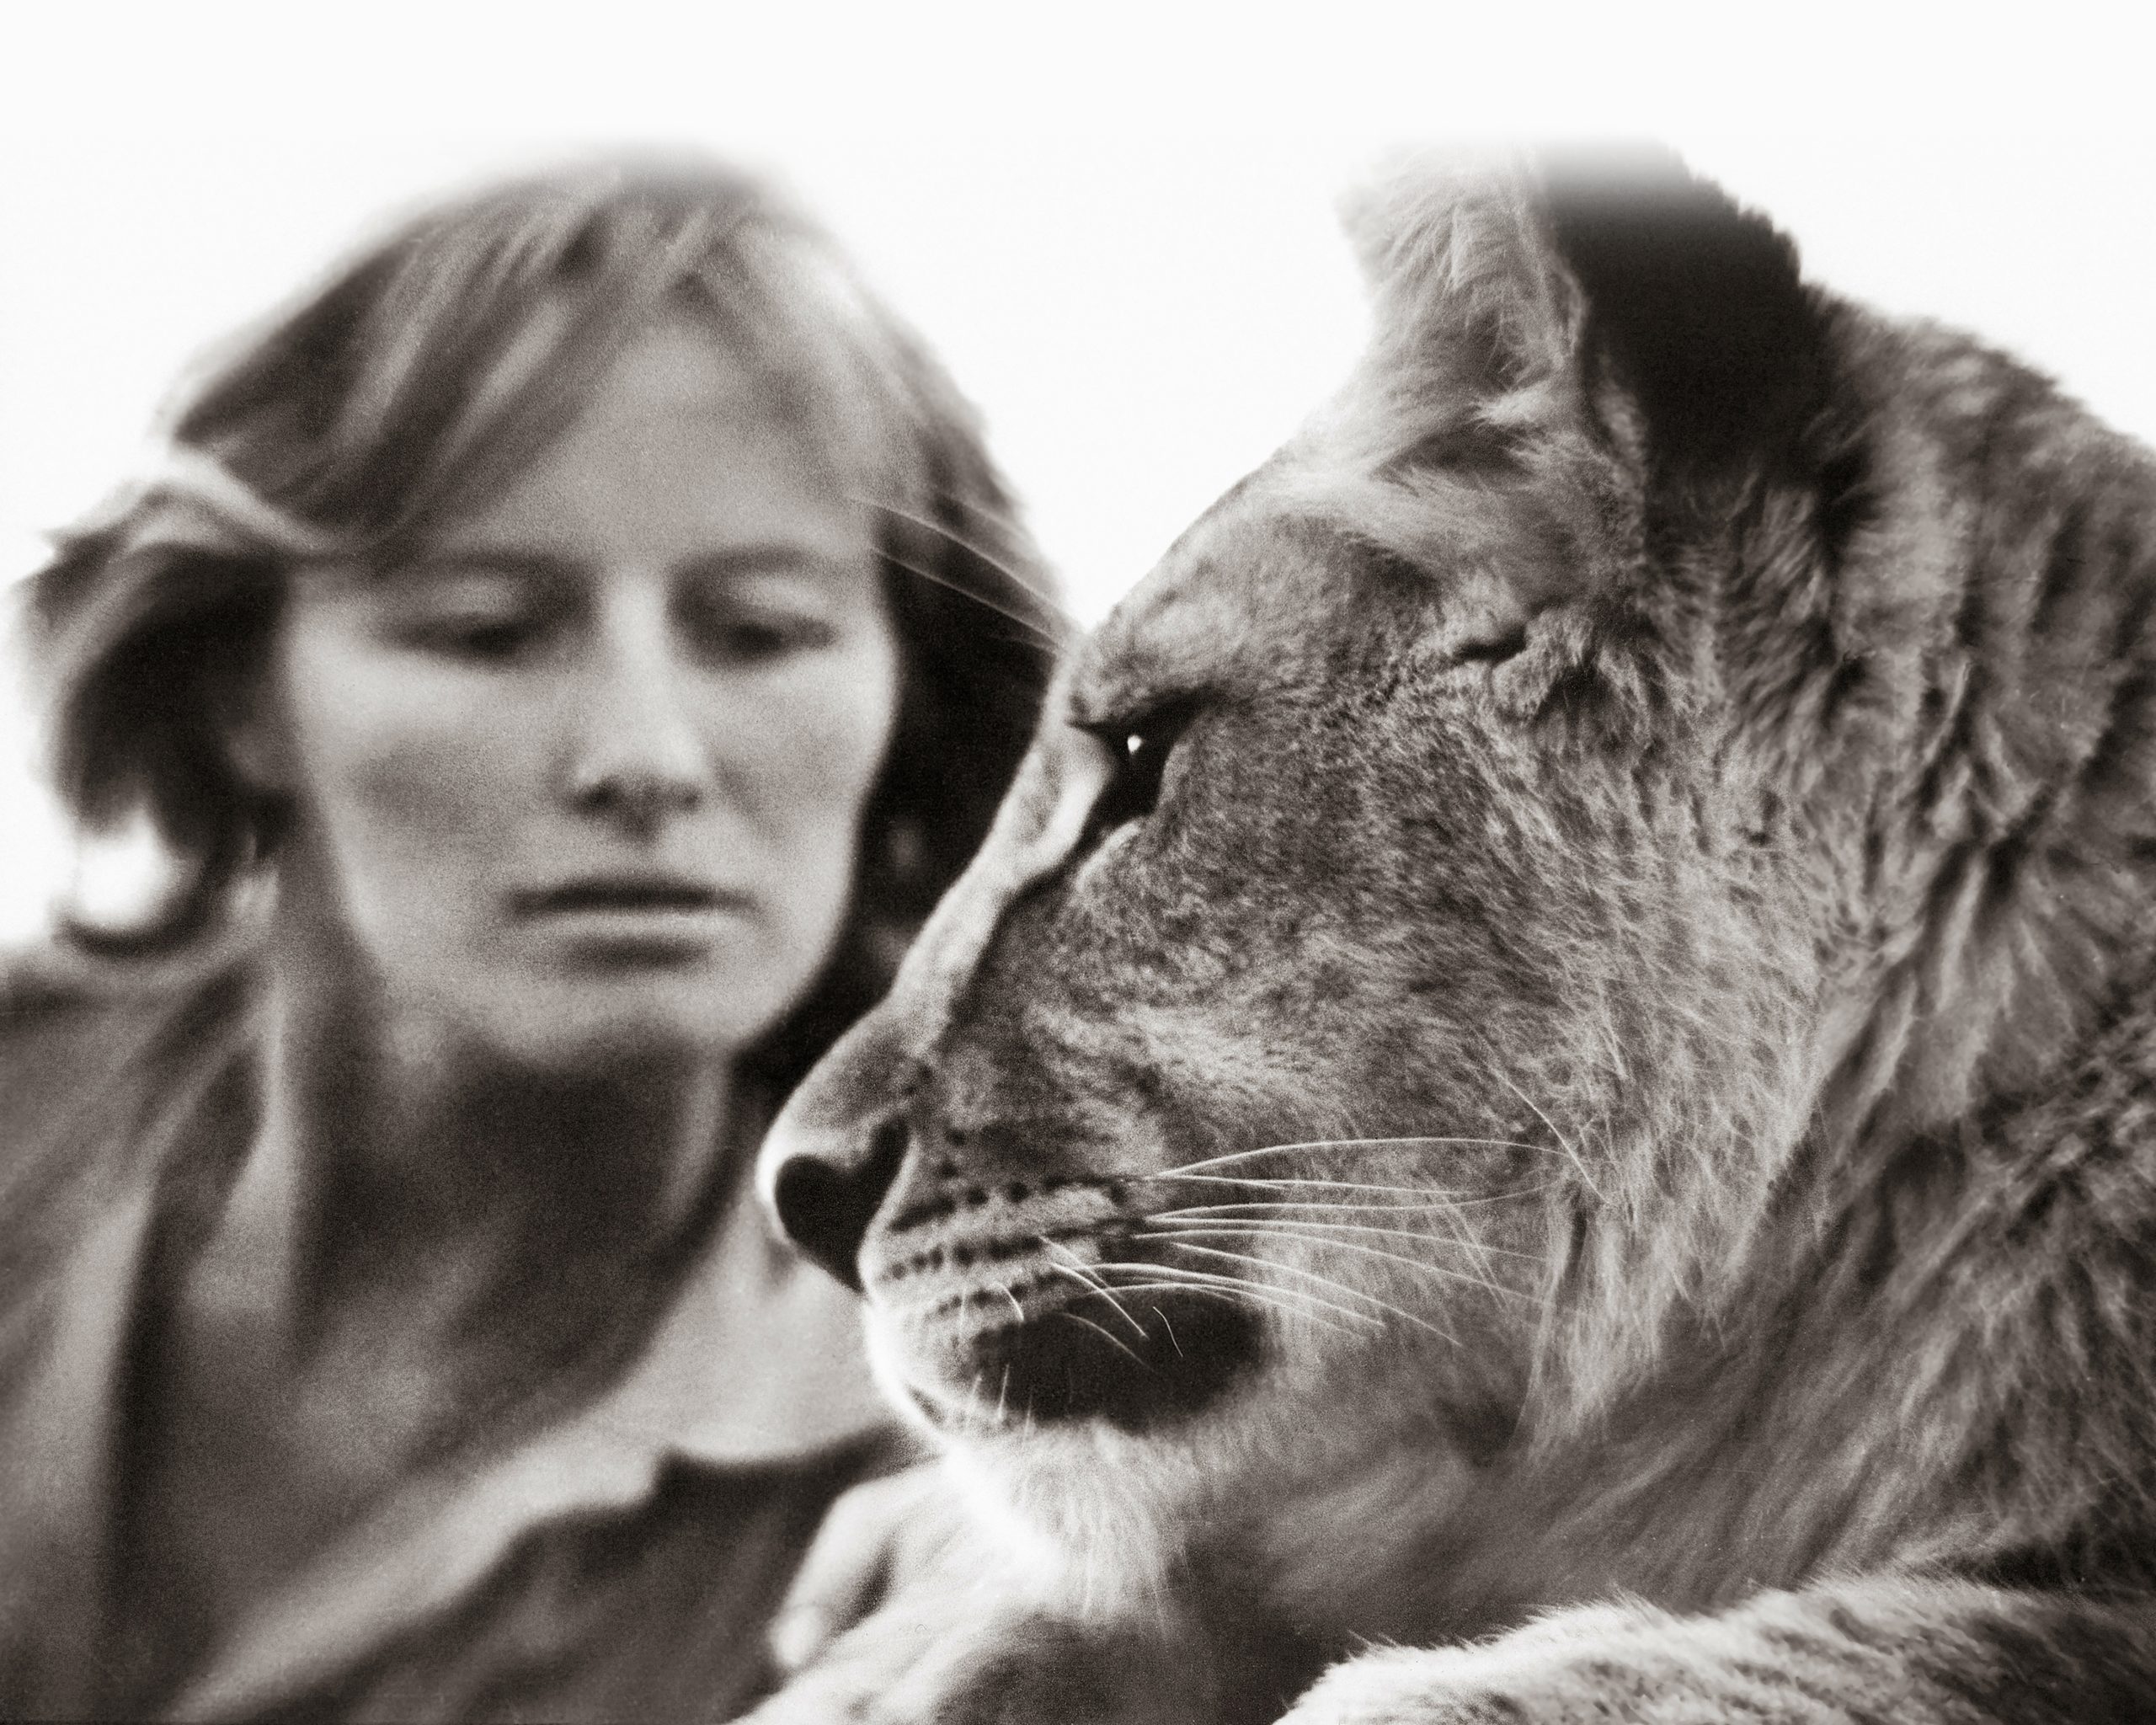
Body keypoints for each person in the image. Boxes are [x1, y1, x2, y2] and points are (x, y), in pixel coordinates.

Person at [0, 158, 1061, 1722]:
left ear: (906, 691)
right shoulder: (34, 1112)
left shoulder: (988, 1451)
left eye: (761, 629)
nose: (648, 754)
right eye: (487, 629)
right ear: (240, 695)